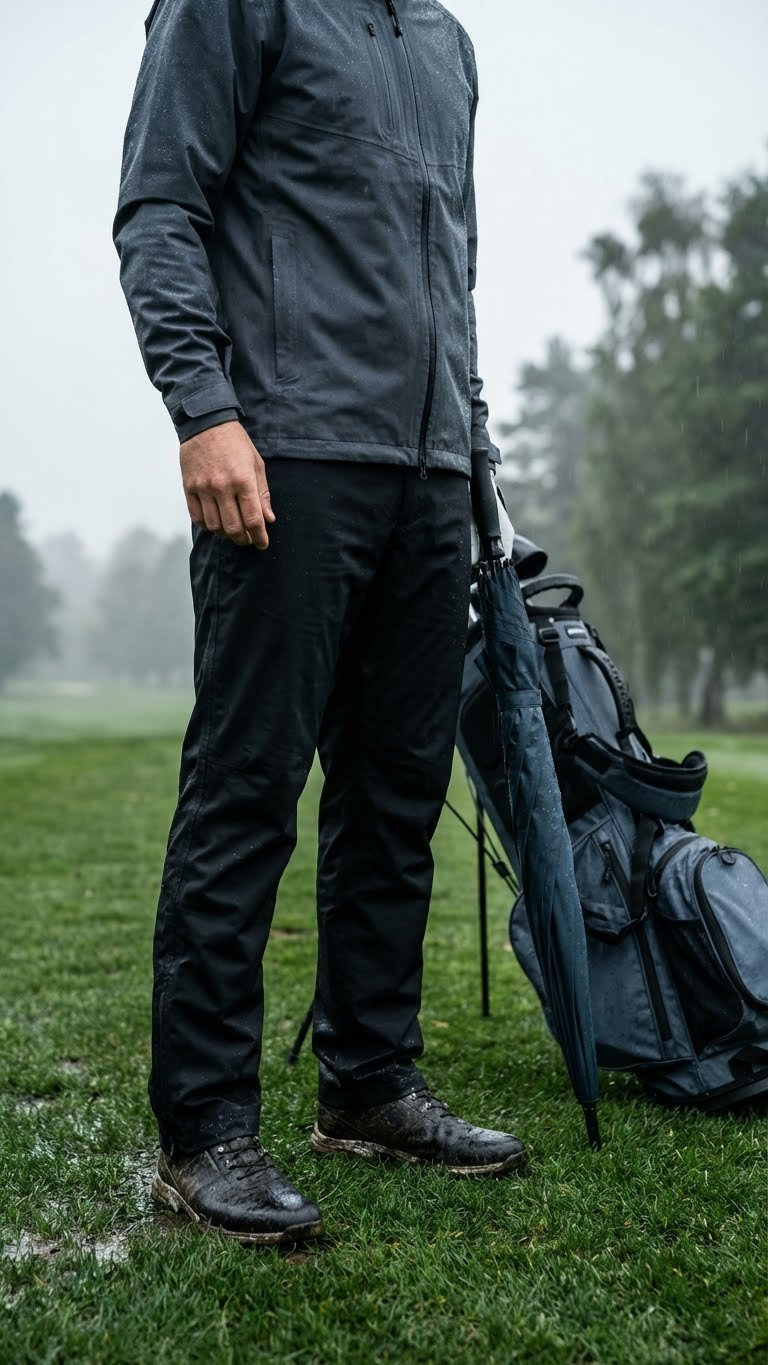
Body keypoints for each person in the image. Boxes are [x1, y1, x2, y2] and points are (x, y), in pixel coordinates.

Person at [114, 0, 526, 1247]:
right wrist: (204, 411)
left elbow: (453, 269)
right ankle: (203, 1131)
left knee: (398, 796)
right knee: (246, 791)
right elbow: (160, 208)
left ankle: (369, 1084)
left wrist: (474, 455)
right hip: (285, 453)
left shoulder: (446, 44)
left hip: (428, 476)